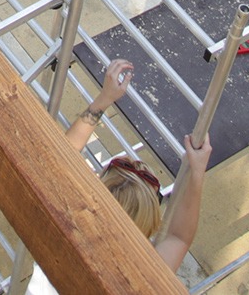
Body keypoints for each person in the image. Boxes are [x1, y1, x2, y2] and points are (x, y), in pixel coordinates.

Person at [23, 57, 210, 292]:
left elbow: (62, 156)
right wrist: (197, 171)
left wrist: (104, 99)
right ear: (148, 225)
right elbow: (179, 237)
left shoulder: (63, 226)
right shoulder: (141, 277)